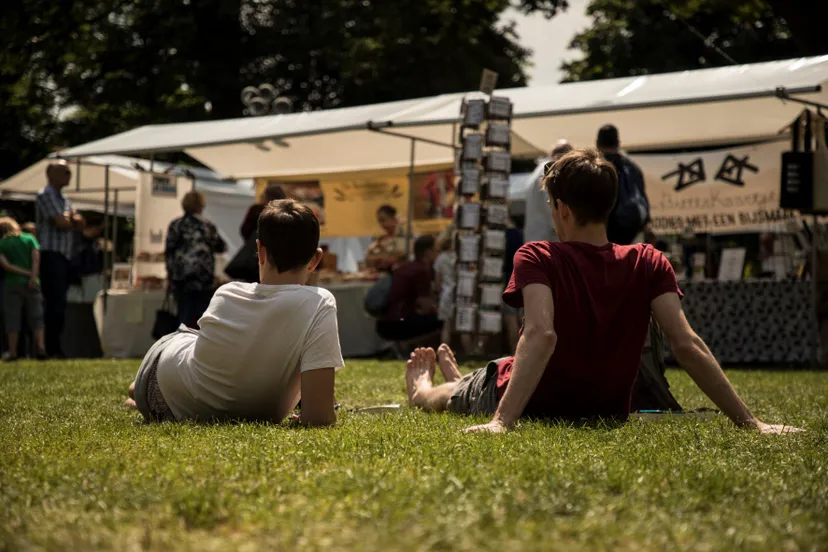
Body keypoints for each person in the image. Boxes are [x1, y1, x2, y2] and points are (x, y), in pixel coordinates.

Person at [404, 148, 800, 436]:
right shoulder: (648, 260)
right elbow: (686, 343)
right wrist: (752, 423)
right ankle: (467, 378)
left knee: (451, 395)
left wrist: (500, 423)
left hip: (532, 401)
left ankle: (427, 389)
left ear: (561, 209)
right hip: (605, 408)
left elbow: (542, 334)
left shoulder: (538, 255)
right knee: (494, 371)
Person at [129, 200, 343, 425]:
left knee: (179, 350)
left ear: (259, 251)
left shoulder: (227, 293)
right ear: (316, 259)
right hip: (179, 383)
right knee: (185, 345)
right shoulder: (320, 303)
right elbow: (320, 417)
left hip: (173, 391)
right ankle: (138, 390)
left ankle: (139, 391)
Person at [36, 161, 85, 358]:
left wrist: (71, 220)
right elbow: (62, 222)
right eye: (65, 172)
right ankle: (49, 347)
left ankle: (54, 347)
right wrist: (71, 220)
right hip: (50, 255)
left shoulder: (64, 199)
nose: (69, 175)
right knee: (53, 303)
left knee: (60, 304)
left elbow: (78, 222)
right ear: (51, 174)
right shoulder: (44, 195)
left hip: (64, 256)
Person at [165, 191, 227, 328]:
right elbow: (221, 247)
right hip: (203, 279)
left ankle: (181, 346)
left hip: (181, 280)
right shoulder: (206, 226)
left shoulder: (176, 225)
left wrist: (170, 276)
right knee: (204, 319)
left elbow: (169, 253)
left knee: (183, 317)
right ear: (200, 206)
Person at [376, 235, 442, 342]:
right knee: (444, 320)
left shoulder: (406, 267)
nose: (439, 255)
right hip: (400, 324)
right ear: (428, 252)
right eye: (437, 251)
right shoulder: (421, 271)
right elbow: (426, 305)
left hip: (385, 321)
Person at [0, 218, 47, 360]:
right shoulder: (29, 238)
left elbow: (6, 265)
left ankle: (13, 352)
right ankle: (40, 348)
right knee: (37, 316)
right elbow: (36, 259)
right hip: (33, 283)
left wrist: (23, 273)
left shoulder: (2, 244)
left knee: (12, 317)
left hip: (12, 283)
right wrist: (32, 275)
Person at [596, 124, 649, 246]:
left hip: (603, 237)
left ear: (597, 144)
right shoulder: (632, 168)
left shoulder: (594, 168)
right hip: (631, 236)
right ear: (618, 143)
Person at [523, 140, 573, 243]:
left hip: (535, 238)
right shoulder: (551, 171)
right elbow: (551, 207)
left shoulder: (538, 170)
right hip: (547, 241)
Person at [502, 214, 524, 352]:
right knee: (522, 320)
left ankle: (514, 352)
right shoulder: (520, 235)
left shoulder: (502, 236)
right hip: (521, 279)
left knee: (511, 320)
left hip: (506, 280)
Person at [365, 205, 406, 271]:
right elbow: (368, 257)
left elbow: (397, 258)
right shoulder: (380, 238)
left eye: (383, 220)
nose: (381, 224)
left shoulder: (402, 236)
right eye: (379, 221)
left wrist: (379, 258)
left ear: (393, 219)